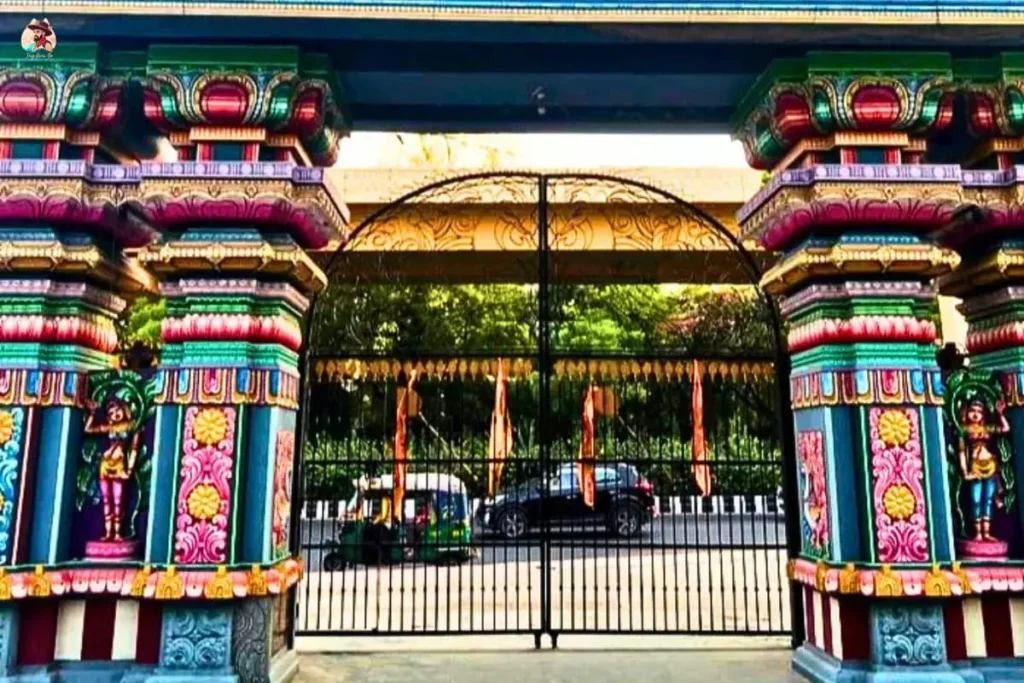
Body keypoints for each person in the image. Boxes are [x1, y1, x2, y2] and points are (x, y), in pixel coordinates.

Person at [84, 395, 140, 542]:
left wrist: (129, 470)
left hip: (119, 464)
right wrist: (92, 413)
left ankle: (118, 533)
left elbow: (134, 449)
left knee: (118, 500)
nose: (115, 415)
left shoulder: (131, 426)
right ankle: (108, 533)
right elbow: (88, 429)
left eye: (118, 410)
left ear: (124, 409)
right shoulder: (109, 427)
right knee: (107, 500)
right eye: (111, 413)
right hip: (105, 464)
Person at [959, 398, 1010, 541]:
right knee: (975, 500)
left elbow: (1005, 429)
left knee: (987, 500)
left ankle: (986, 533)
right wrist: (965, 472)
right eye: (972, 411)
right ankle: (977, 533)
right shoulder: (964, 431)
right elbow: (962, 452)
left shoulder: (987, 428)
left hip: (990, 466)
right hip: (975, 468)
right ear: (966, 412)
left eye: (979, 412)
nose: (975, 415)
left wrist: (1000, 414)